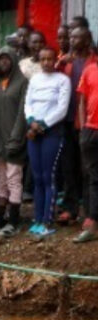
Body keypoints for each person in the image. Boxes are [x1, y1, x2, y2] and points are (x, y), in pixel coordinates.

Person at [24, 47, 71, 236]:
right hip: (34, 133)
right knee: (37, 177)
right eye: (42, 59)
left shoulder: (62, 80)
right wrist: (31, 121)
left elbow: (62, 109)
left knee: (48, 176)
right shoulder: (35, 80)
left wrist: (42, 125)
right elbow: (28, 103)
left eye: (49, 59)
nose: (46, 63)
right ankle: (37, 218)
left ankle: (47, 220)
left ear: (55, 60)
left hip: (51, 133)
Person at [0, 48, 29, 238]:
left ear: (13, 60)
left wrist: (17, 137)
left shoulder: (22, 82)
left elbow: (23, 112)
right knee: (1, 179)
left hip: (13, 139)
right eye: (0, 59)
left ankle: (14, 219)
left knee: (13, 178)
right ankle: (0, 218)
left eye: (6, 59)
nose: (3, 62)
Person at [57, 26, 98, 224]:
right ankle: (70, 208)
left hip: (87, 123)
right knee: (68, 166)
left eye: (76, 37)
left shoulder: (93, 61)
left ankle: (90, 211)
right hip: (67, 119)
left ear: (87, 39)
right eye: (71, 37)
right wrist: (60, 63)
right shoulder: (66, 61)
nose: (72, 41)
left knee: (88, 169)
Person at [75, 52, 98, 242]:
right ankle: (91, 222)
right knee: (92, 176)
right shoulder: (89, 70)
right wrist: (83, 128)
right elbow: (82, 101)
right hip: (90, 131)